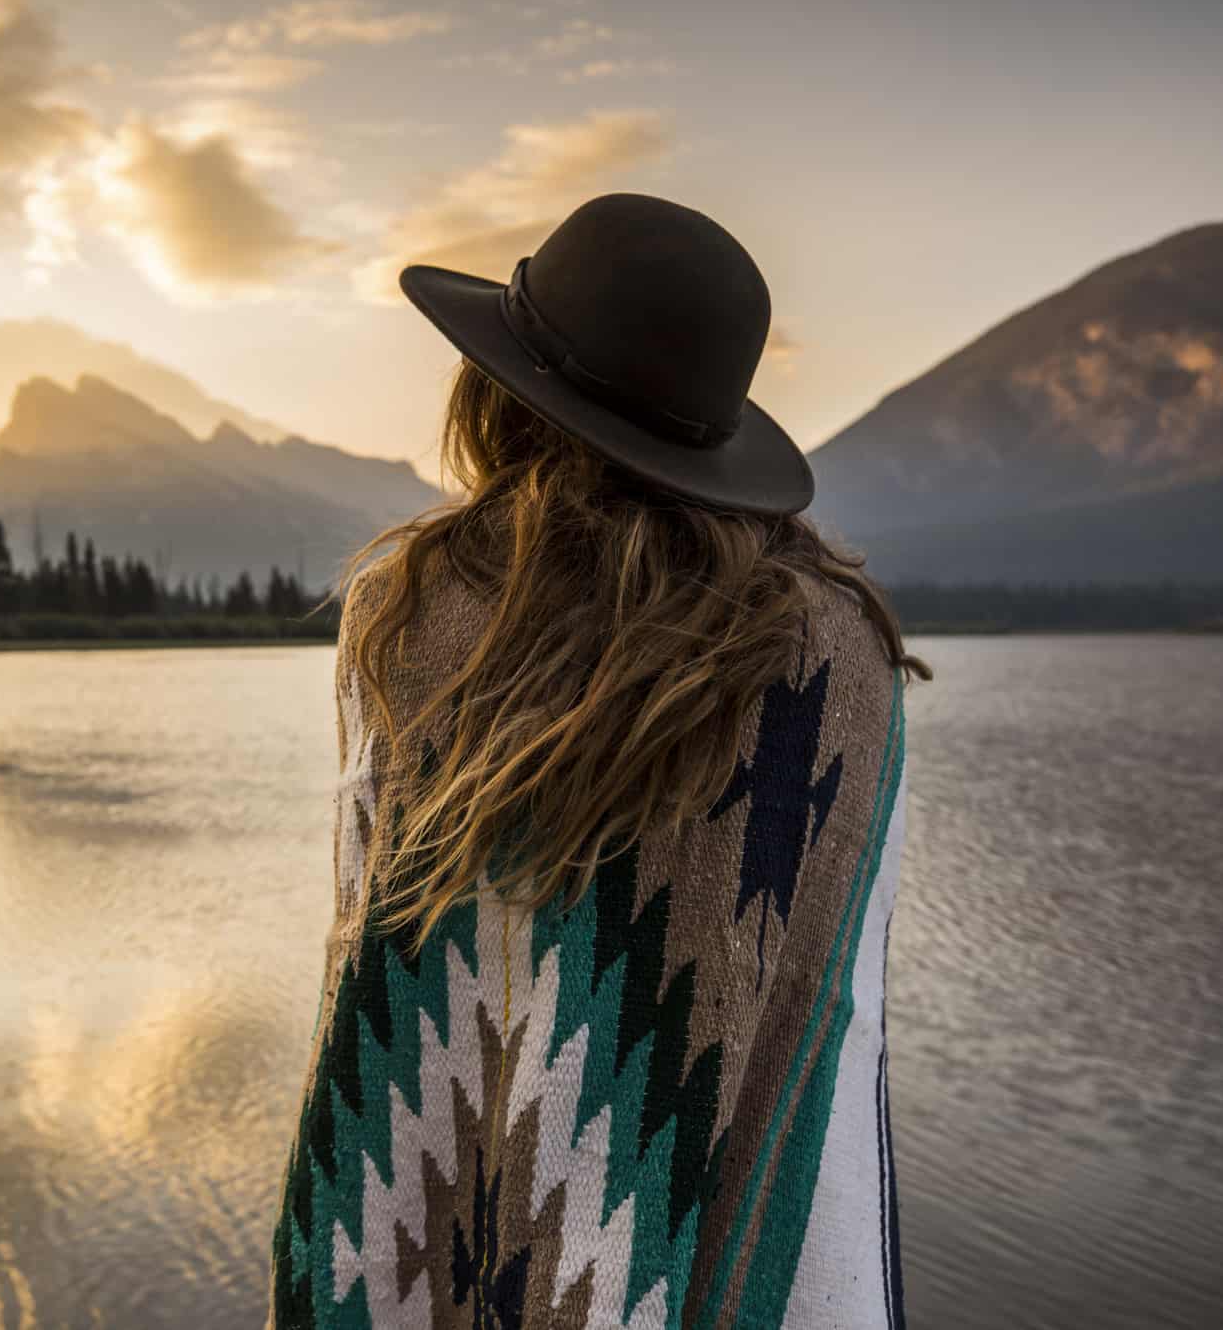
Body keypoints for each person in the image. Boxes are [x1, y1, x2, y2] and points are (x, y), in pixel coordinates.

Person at [266, 193, 931, 1330]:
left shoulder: (407, 611)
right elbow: (837, 1001)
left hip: (416, 1245)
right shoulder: (844, 661)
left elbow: (362, 932)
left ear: (498, 393)